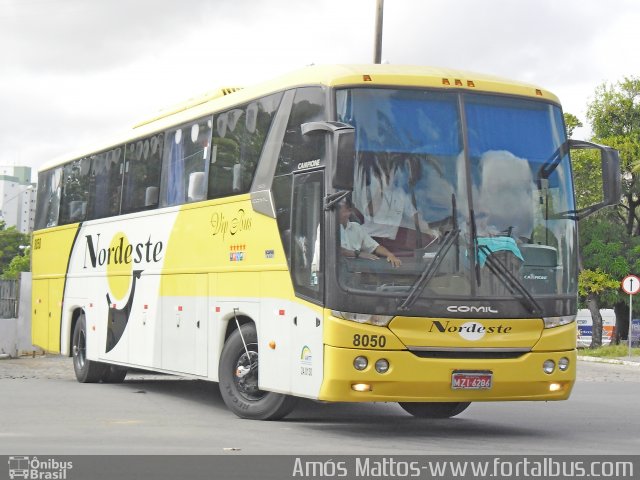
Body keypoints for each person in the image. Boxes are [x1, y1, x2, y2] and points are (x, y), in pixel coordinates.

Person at [338, 199, 402, 267]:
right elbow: (336, 250)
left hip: (355, 270)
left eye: (340, 210)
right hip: (335, 271)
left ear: (349, 211)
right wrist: (359, 254)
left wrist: (389, 255)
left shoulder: (356, 228)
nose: (335, 212)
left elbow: (374, 246)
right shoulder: (329, 228)